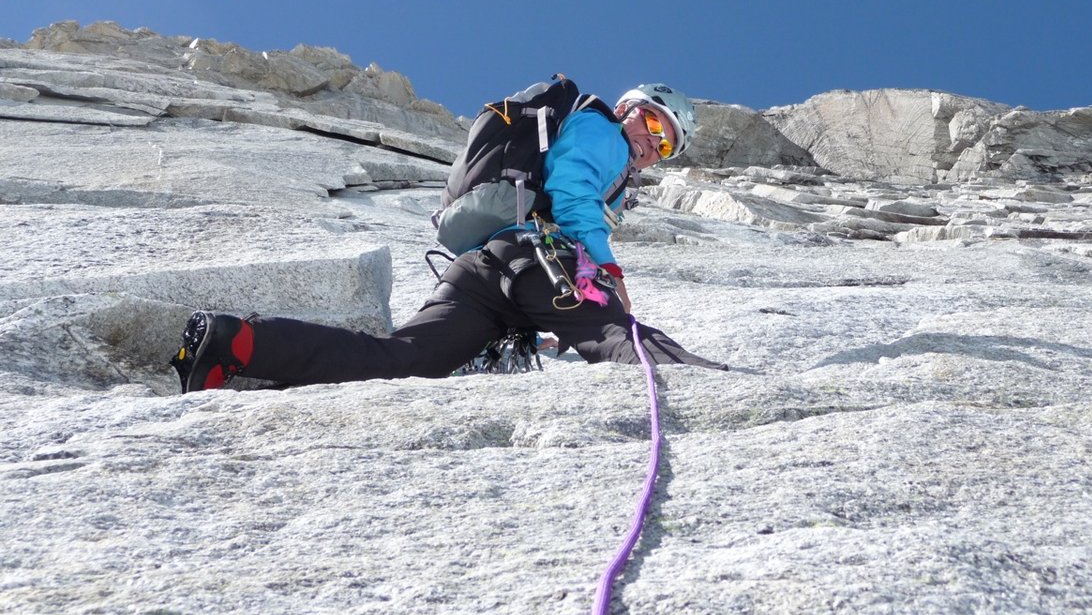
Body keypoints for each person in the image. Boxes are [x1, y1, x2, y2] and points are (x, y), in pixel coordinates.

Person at [170, 82, 727, 393]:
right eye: (654, 126)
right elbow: (575, 195)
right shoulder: (602, 131)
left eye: (669, 146)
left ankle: (238, 341)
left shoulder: (613, 152)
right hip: (539, 264)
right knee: (613, 329)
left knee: (405, 359)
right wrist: (610, 272)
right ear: (630, 109)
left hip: (483, 270)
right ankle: (711, 390)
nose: (654, 146)